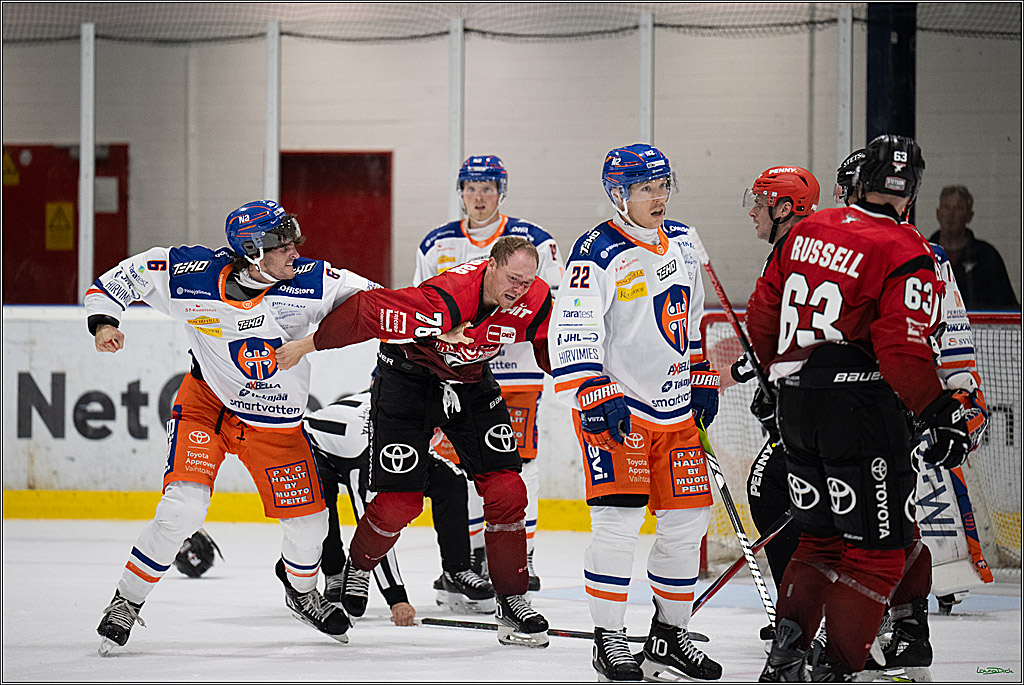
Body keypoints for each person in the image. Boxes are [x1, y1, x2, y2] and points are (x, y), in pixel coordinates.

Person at [87, 199, 376, 654]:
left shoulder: (316, 281)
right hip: (209, 407)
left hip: (276, 425)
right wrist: (105, 323)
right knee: (183, 507)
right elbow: (114, 282)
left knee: (310, 524)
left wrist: (441, 323)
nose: (295, 251)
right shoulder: (188, 274)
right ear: (252, 250)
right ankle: (126, 601)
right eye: (282, 244)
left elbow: (382, 303)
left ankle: (302, 594)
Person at [746, 135, 972, 681]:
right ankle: (837, 668)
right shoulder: (907, 248)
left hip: (799, 407)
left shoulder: (807, 229)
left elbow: (761, 313)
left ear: (857, 180)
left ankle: (786, 660)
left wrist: (777, 376)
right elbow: (902, 347)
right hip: (863, 409)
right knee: (878, 551)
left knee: (819, 539)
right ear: (911, 191)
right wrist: (939, 410)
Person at [276, 235, 553, 648]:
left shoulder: (535, 296)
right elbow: (366, 311)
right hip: (407, 381)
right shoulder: (441, 300)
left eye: (527, 282)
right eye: (512, 279)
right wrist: (306, 345)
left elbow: (551, 344)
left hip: (471, 383)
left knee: (507, 488)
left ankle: (511, 600)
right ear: (489, 267)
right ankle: (359, 563)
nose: (519, 290)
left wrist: (592, 388)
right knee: (398, 503)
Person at [550, 143, 722, 682]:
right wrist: (593, 388)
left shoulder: (688, 242)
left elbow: (691, 317)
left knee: (687, 525)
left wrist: (702, 373)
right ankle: (610, 642)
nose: (659, 197)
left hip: (675, 413)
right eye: (646, 188)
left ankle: (668, 639)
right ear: (618, 194)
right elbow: (573, 329)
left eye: (663, 185)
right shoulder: (595, 250)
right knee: (620, 524)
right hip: (619, 410)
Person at [828, 150, 992, 681]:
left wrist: (957, 406)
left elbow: (954, 348)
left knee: (875, 530)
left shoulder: (918, 255)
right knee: (887, 527)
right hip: (868, 408)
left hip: (883, 410)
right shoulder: (901, 251)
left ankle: (889, 629)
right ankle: (903, 628)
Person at [413, 155, 565, 592]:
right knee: (458, 465)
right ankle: (475, 554)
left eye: (488, 188)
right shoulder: (435, 243)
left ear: (502, 191)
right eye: (471, 188)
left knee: (520, 464)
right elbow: (421, 303)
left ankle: (523, 553)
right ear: (460, 192)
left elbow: (550, 301)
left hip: (515, 371)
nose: (479, 197)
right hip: (455, 372)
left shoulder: (533, 239)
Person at [304, 389, 495, 622]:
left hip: (370, 429)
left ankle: (456, 569)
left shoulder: (420, 416)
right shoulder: (366, 456)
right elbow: (371, 528)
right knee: (323, 503)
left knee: (449, 480)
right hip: (316, 448)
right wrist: (397, 598)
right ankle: (334, 572)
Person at [735, 166, 820, 617]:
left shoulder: (797, 252)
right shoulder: (799, 248)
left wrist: (780, 380)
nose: (753, 211)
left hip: (814, 401)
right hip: (809, 397)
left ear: (784, 208)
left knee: (769, 489)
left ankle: (801, 613)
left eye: (760, 202)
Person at [928, 185, 1019, 311]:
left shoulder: (987, 256)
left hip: (978, 328)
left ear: (969, 216)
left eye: (958, 208)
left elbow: (1009, 307)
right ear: (938, 214)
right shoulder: (923, 253)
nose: (951, 214)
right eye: (946, 207)